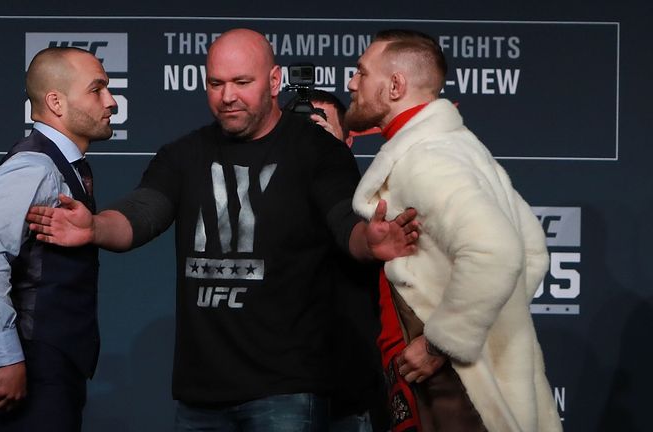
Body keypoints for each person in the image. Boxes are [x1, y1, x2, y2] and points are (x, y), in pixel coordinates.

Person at [26, 28, 419, 431]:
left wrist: (368, 242)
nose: (227, 95)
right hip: (202, 396)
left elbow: (343, 221)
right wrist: (94, 227)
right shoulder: (184, 154)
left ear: (273, 81)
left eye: (241, 83)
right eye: (216, 83)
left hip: (287, 390)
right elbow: (144, 212)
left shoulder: (316, 150)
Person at [345, 29, 562, 431]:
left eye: (361, 72)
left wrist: (441, 342)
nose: (352, 83)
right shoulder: (456, 146)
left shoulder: (426, 158)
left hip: (456, 390)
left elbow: (498, 254)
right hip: (459, 383)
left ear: (395, 85)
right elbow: (532, 252)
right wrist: (490, 326)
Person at [0, 47, 117, 431]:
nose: (111, 102)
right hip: (31, 362)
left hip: (52, 361)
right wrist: (8, 359)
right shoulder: (34, 167)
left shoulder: (65, 165)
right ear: (56, 102)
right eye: (97, 90)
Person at [286, 89, 389, 432]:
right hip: (274, 391)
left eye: (321, 126)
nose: (310, 135)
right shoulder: (253, 207)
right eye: (300, 127)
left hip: (347, 392)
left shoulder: (372, 208)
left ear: (347, 141)